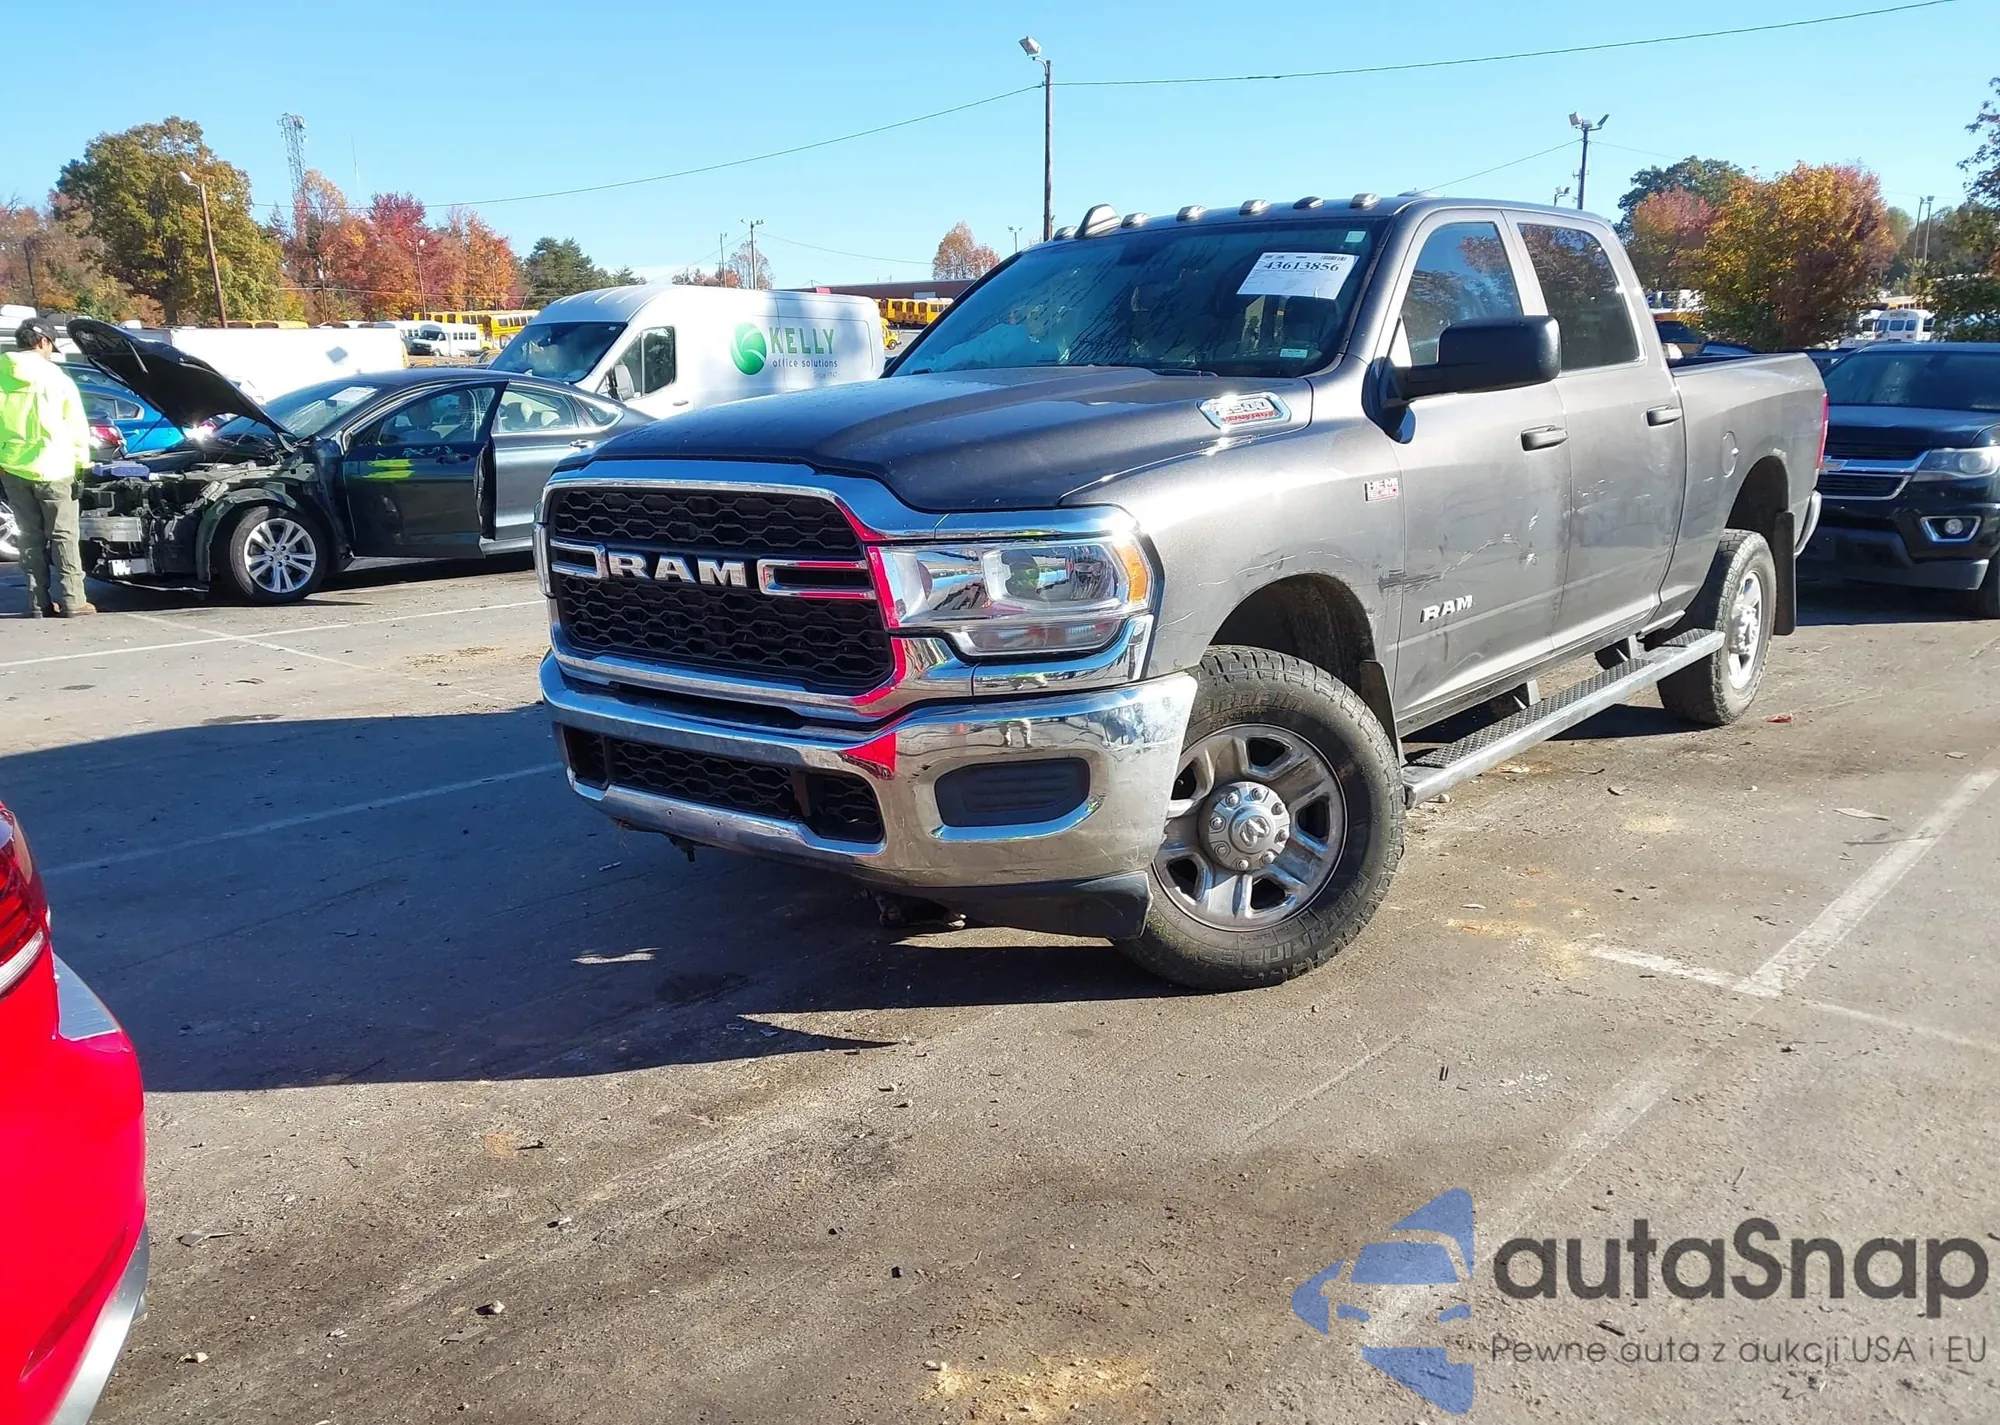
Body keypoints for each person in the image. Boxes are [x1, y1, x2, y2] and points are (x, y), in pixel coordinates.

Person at [0, 318, 96, 617]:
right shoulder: (57, 379)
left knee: (29, 536)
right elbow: (76, 425)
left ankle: (38, 602)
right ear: (42, 342)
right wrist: (82, 463)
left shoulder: (1, 373)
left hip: (12, 467)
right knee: (63, 535)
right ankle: (73, 600)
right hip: (55, 466)